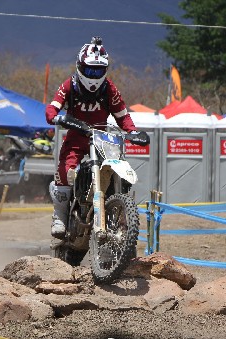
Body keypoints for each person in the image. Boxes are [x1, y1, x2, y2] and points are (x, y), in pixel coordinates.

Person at [45, 36, 149, 239]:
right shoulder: (69, 85)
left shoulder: (109, 88)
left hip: (102, 137)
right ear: (79, 66)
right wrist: (57, 117)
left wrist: (132, 132)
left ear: (105, 70)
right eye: (90, 70)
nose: (94, 75)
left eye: (98, 71)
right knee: (66, 169)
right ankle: (59, 216)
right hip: (76, 135)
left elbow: (122, 115)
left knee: (116, 166)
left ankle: (119, 217)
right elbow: (52, 108)